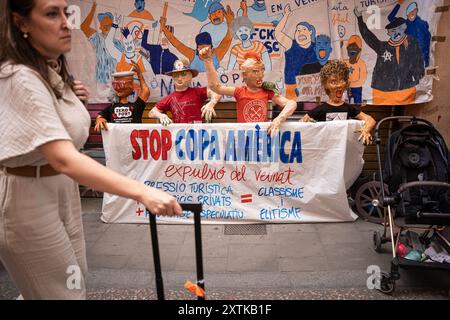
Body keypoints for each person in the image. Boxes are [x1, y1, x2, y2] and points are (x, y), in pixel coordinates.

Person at [0, 0, 181, 300]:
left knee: (73, 278)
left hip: (60, 191)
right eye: (50, 14)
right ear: (22, 24)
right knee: (62, 292)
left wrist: (69, 96)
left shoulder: (50, 70)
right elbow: (64, 158)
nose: (65, 22)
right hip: (27, 198)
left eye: (65, 12)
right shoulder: (19, 77)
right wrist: (142, 191)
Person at [200, 48, 297, 134]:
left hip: (262, 135)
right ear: (244, 75)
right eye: (255, 71)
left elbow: (291, 104)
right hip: (243, 137)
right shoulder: (239, 91)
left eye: (262, 70)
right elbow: (215, 87)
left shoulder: (267, 91)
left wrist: (278, 119)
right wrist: (207, 61)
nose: (260, 75)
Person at [355, 7, 424, 105]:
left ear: (404, 27)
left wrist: (419, 76)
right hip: (383, 91)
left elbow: (418, 60)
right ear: (388, 33)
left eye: (398, 29)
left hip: (406, 89)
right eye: (392, 31)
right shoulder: (382, 47)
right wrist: (359, 19)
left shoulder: (412, 43)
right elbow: (368, 37)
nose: (396, 33)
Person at [300, 60, 376, 146]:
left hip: (343, 149)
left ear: (346, 83)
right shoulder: (320, 109)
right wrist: (309, 125)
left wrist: (366, 130)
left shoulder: (349, 108)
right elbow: (302, 123)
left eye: (342, 80)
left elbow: (370, 120)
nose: (339, 85)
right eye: (333, 82)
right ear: (325, 84)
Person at [150, 59, 222, 125]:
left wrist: (211, 104)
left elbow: (217, 92)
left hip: (198, 133)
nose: (179, 78)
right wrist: (161, 115)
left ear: (190, 76)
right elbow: (152, 112)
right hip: (179, 135)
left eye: (183, 74)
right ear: (172, 77)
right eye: (176, 75)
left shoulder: (198, 92)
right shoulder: (170, 98)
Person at [274, 4, 317, 100]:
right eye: (298, 30)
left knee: (308, 112)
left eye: (303, 29)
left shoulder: (316, 47)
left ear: (310, 32)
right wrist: (286, 15)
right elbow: (277, 32)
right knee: (291, 112)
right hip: (291, 87)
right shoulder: (290, 44)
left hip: (312, 88)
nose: (300, 32)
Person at [94, 61, 150, 132]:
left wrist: (139, 74)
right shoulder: (112, 107)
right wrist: (100, 120)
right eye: (115, 85)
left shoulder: (137, 104)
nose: (118, 88)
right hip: (118, 140)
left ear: (130, 86)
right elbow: (100, 116)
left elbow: (146, 91)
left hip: (134, 139)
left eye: (121, 84)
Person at [388, 0, 431, 67]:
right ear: (407, 14)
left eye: (413, 11)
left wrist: (426, 61)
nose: (411, 14)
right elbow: (390, 17)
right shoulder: (404, 24)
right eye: (409, 13)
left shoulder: (423, 24)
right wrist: (399, 4)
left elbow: (426, 43)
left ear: (416, 10)